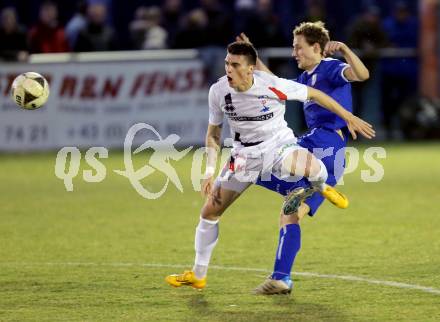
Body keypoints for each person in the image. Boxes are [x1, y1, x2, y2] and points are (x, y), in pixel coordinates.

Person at [165, 41, 375, 291]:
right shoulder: (218, 91)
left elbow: (317, 95)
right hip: (244, 157)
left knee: (312, 167)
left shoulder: (272, 85)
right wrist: (209, 172)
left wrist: (349, 117)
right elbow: (213, 134)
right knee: (209, 213)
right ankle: (198, 275)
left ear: (251, 68)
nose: (228, 70)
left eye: (234, 65)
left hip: (279, 147)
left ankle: (320, 187)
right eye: (226, 64)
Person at [236, 20, 371, 294]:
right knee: (290, 213)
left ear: (317, 48)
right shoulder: (306, 78)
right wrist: (255, 58)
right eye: (293, 47)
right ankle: (281, 279)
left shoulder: (330, 67)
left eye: (299, 47)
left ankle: (305, 188)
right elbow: (274, 83)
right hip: (317, 145)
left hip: (326, 145)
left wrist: (344, 49)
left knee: (249, 166)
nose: (294, 52)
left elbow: (362, 75)